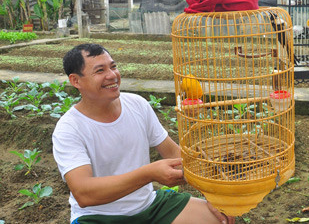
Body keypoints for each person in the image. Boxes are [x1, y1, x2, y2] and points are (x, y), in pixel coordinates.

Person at [53, 43, 234, 224]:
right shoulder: (70, 128)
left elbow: (174, 154)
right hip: (98, 217)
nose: (112, 75)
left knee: (220, 219)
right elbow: (84, 194)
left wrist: (212, 194)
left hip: (150, 206)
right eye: (100, 71)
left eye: (113, 67)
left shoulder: (136, 104)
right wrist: (149, 174)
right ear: (76, 81)